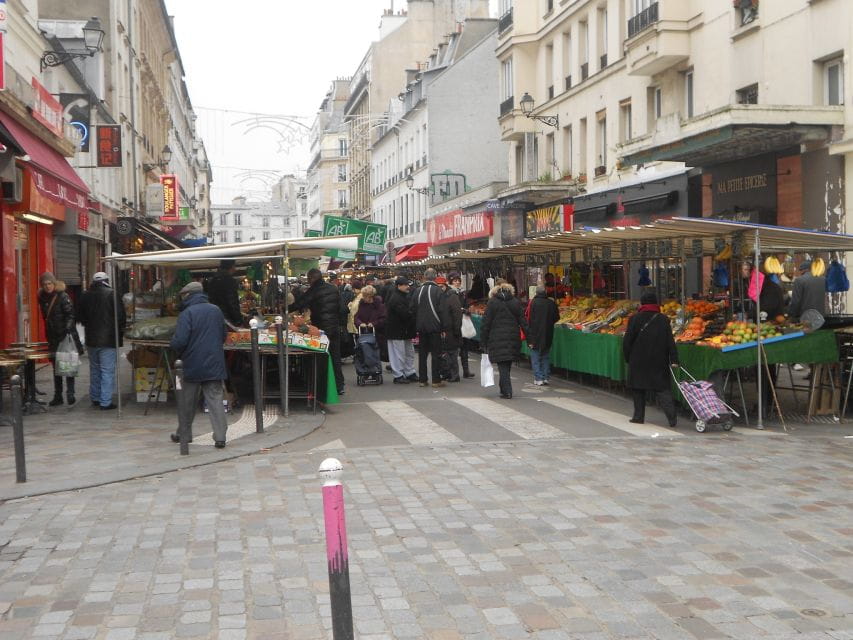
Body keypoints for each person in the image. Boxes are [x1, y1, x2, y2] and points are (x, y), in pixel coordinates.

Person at [169, 281, 229, 448]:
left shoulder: (187, 313)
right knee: (215, 399)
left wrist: (173, 345)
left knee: (187, 401)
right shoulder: (216, 310)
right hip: (214, 362)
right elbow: (223, 335)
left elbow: (180, 340)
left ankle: (184, 434)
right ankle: (220, 436)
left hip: (191, 362)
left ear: (187, 295)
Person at [622, 290, 678, 427]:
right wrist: (674, 359)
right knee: (662, 389)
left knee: (638, 389)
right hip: (659, 359)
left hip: (638, 359)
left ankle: (638, 417)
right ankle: (672, 418)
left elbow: (627, 341)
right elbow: (670, 341)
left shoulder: (634, 319)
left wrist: (628, 357)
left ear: (642, 303)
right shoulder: (663, 319)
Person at [289, 268, 345, 395]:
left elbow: (300, 303)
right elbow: (343, 309)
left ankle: (322, 386)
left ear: (312, 278)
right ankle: (339, 385)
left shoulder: (314, 290)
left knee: (320, 357)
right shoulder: (333, 288)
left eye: (309, 279)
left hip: (321, 328)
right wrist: (340, 324)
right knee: (335, 356)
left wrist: (286, 308)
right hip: (335, 327)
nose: (308, 281)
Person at [77, 271, 126, 410]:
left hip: (91, 339)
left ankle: (96, 397)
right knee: (107, 371)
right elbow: (120, 317)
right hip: (108, 339)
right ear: (106, 280)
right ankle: (105, 401)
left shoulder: (85, 296)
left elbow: (80, 317)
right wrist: (120, 331)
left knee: (95, 370)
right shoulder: (112, 294)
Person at [37, 272, 81, 407]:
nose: (47, 286)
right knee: (56, 367)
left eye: (49, 283)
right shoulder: (42, 298)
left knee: (67, 364)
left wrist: (67, 328)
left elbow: (70, 314)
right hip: (53, 337)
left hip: (65, 336)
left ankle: (70, 393)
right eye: (44, 284)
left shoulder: (63, 296)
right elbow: (46, 317)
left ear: (54, 283)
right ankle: (58, 396)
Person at [480, 282, 529, 399]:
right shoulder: (515, 302)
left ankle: (507, 391)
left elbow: (486, 323)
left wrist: (483, 341)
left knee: (503, 365)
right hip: (512, 337)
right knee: (506, 364)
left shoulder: (492, 302)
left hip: (497, 337)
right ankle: (504, 389)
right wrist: (530, 338)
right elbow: (523, 322)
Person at [412, 267, 450, 387]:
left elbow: (412, 308)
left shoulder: (418, 290)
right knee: (436, 354)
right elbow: (443, 311)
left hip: (421, 327)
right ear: (435, 277)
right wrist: (444, 328)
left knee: (422, 354)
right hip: (435, 327)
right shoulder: (438, 291)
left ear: (424, 277)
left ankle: (422, 380)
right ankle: (436, 380)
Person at [386, 277, 418, 384]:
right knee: (398, 354)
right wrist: (413, 313)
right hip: (397, 331)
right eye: (405, 285)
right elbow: (404, 314)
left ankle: (409, 372)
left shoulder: (402, 296)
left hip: (405, 330)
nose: (407, 286)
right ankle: (398, 374)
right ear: (399, 286)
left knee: (409, 352)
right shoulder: (396, 298)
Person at [527, 285, 559, 386]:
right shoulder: (551, 303)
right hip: (548, 333)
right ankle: (545, 377)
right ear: (545, 292)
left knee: (535, 356)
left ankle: (538, 378)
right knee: (545, 356)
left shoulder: (533, 303)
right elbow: (557, 317)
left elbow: (529, 319)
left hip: (535, 333)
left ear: (536, 292)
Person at [437, 276, 463, 382]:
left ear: (445, 285)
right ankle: (448, 373)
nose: (440, 289)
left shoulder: (451, 296)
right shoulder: (441, 296)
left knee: (452, 353)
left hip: (451, 330)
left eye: (441, 286)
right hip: (444, 329)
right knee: (446, 353)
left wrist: (457, 330)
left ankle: (454, 375)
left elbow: (457, 314)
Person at [448, 273, 474, 379]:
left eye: (458, 280)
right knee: (453, 350)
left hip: (463, 323)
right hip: (454, 324)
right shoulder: (449, 293)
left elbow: (467, 306)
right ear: (450, 282)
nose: (457, 282)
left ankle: (466, 371)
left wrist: (467, 310)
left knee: (464, 348)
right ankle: (454, 373)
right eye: (455, 280)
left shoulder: (463, 293)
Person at [206, 259, 243, 326]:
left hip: (215, 317)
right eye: (234, 266)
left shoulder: (212, 281)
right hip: (228, 319)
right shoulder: (229, 281)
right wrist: (238, 320)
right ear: (231, 267)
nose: (235, 269)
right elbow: (232, 302)